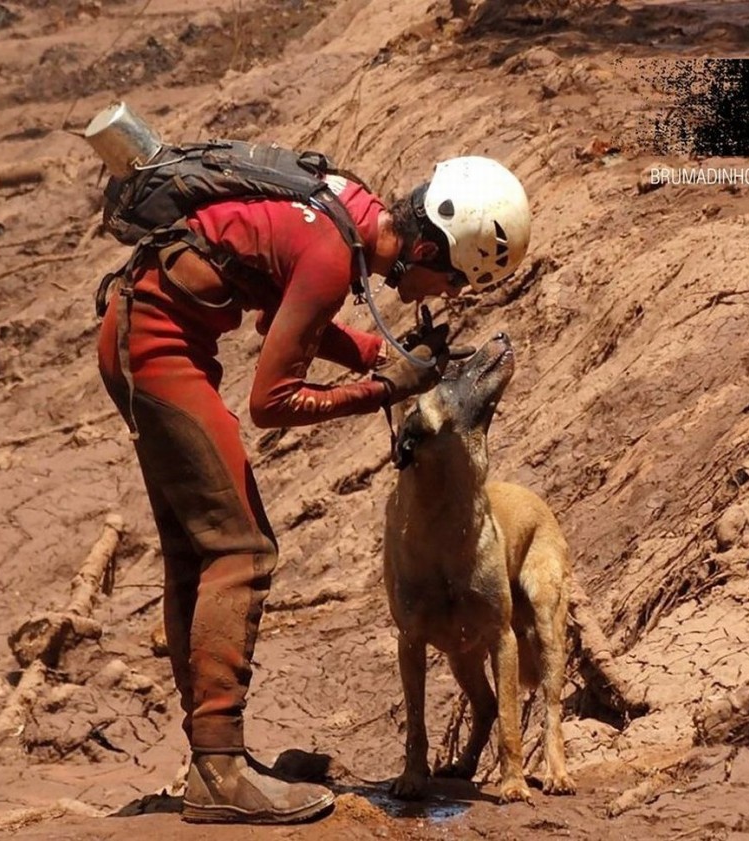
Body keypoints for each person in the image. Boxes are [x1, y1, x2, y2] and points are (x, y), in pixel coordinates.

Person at [96, 154, 531, 825]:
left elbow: (286, 312)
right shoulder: (335, 252)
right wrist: (385, 387)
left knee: (198, 551)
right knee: (242, 549)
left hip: (136, 333)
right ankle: (219, 768)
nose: (436, 295)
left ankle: (212, 757)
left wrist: (376, 357)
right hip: (157, 349)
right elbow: (272, 401)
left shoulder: (349, 208)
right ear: (426, 245)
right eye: (447, 279)